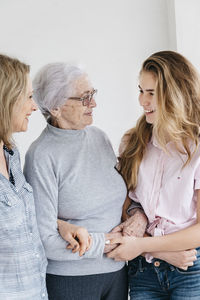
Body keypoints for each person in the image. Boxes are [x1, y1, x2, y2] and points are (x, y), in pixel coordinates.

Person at [23, 62, 147, 300]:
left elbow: (122, 197)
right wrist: (107, 243)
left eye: (92, 94)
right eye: (84, 98)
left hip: (117, 272)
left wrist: (138, 216)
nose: (93, 103)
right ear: (55, 107)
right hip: (71, 281)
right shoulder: (41, 155)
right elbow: (44, 237)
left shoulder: (99, 137)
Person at [107, 50, 200, 299]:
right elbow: (122, 205)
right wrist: (156, 251)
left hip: (190, 266)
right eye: (141, 90)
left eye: (152, 93)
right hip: (143, 270)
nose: (142, 100)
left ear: (177, 95)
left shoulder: (197, 148)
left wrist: (141, 246)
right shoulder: (133, 142)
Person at [0, 54, 48, 299]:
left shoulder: (11, 153)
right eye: (29, 97)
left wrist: (61, 226)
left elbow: (17, 219)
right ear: (6, 99)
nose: (34, 107)